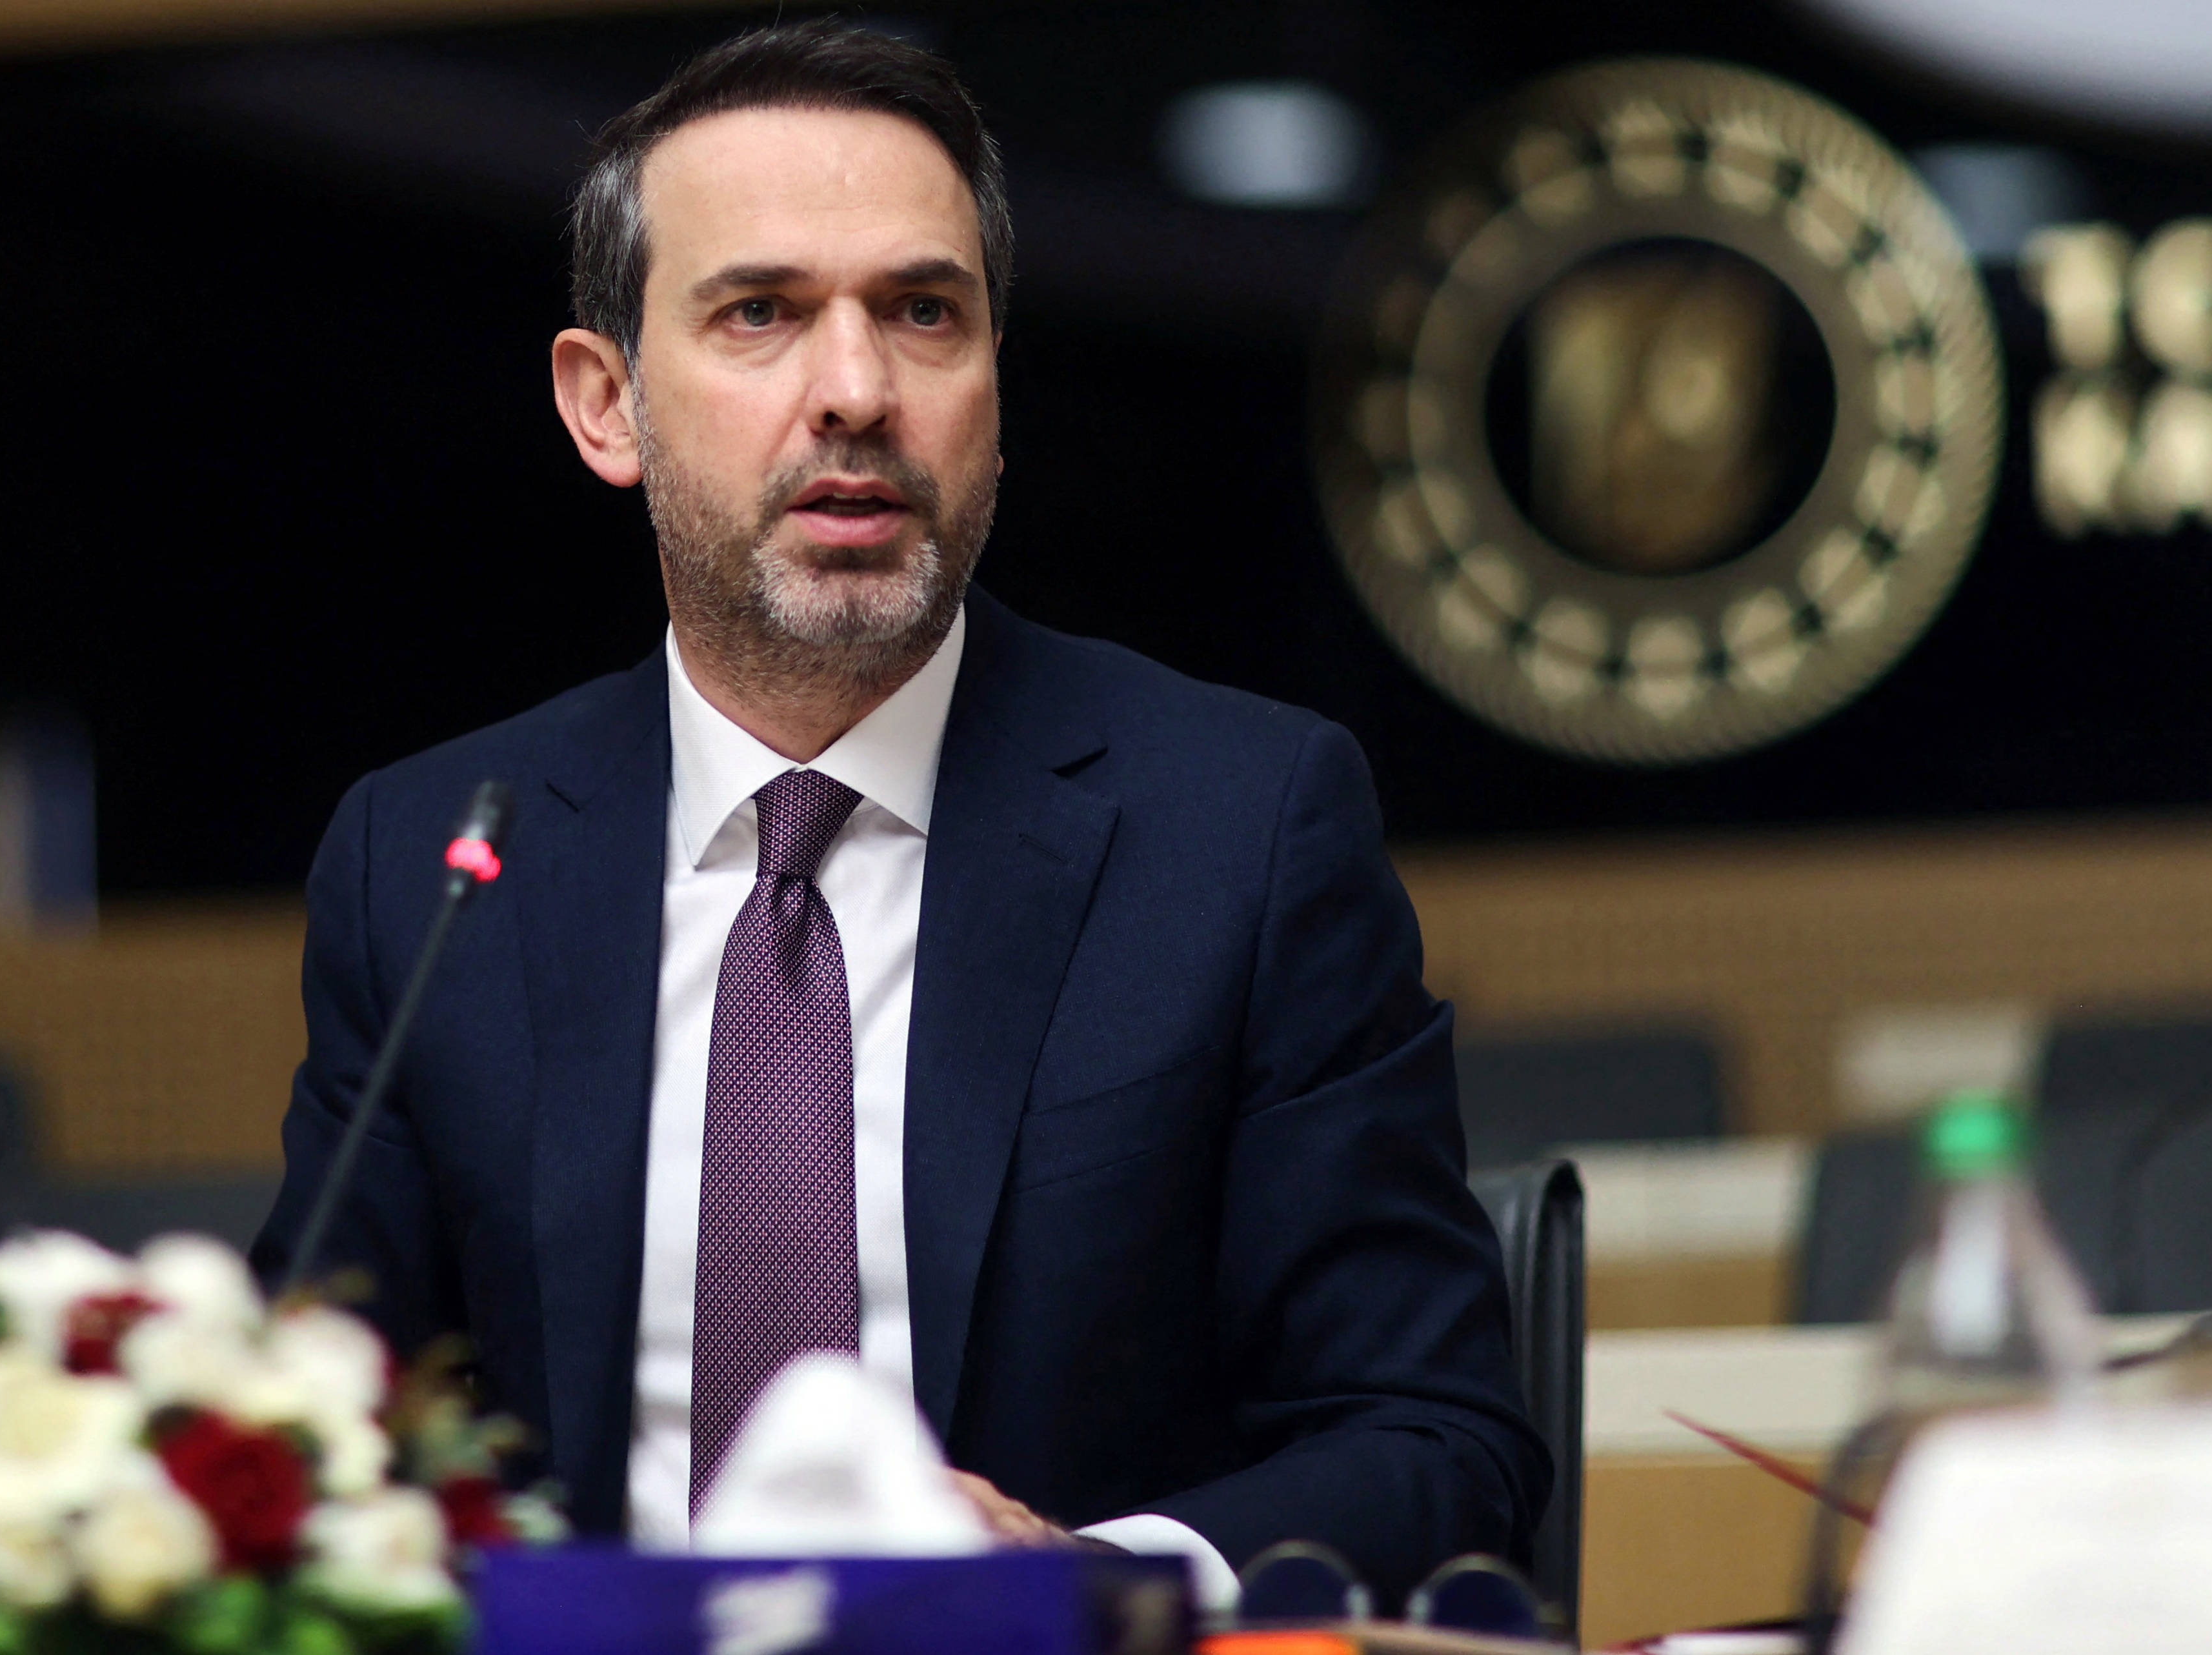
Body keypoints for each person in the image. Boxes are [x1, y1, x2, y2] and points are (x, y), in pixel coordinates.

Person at [250, 19, 1547, 1607]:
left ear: (997, 384)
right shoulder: (435, 862)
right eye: (761, 313)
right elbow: (297, 1443)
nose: (856, 390)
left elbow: (1434, 1440)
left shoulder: (1242, 828)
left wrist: (1082, 1581)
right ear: (605, 404)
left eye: (923, 313)